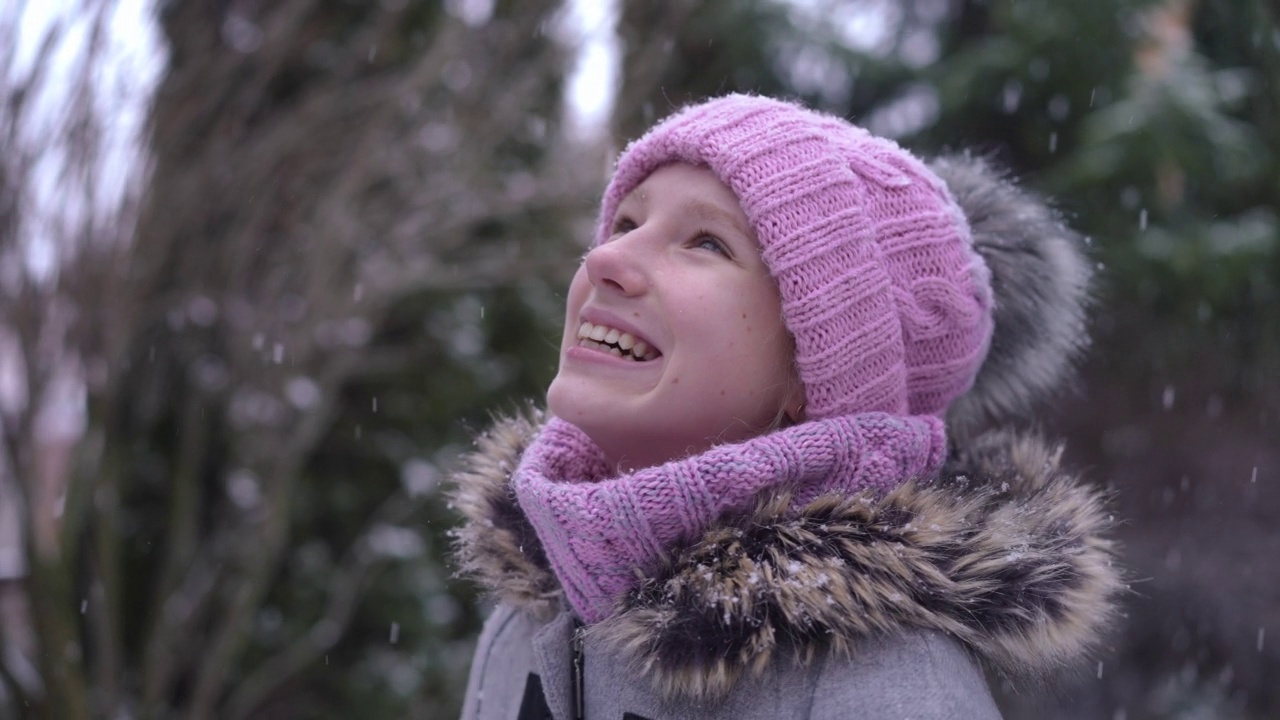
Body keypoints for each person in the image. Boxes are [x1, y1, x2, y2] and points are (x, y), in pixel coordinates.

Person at [450, 94, 1122, 720]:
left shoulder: (878, 684)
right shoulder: (529, 616)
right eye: (626, 221)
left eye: (706, 242)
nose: (606, 257)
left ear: (815, 373)